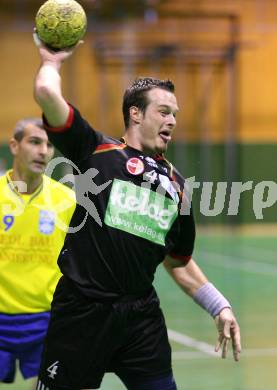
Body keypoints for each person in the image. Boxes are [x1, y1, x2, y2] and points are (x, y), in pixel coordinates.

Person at [33, 35, 241, 390]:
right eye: (164, 111)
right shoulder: (95, 150)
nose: (172, 121)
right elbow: (47, 95)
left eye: (175, 114)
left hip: (139, 318)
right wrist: (52, 61)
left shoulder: (176, 186)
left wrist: (219, 305)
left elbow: (179, 262)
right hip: (82, 312)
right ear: (135, 113)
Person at [0, 118, 76, 386]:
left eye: (49, 144)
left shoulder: (67, 201)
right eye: (35, 142)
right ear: (14, 146)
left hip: (47, 320)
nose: (44, 151)